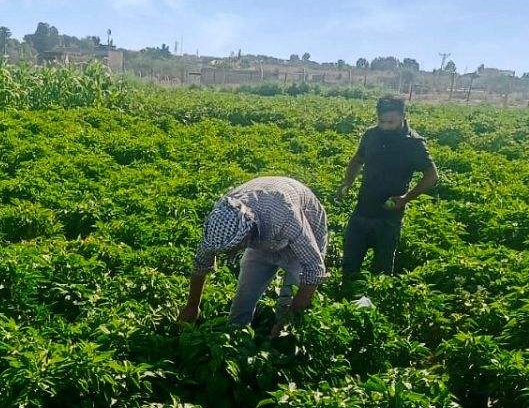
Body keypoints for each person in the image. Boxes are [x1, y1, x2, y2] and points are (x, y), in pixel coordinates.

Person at [177, 176, 328, 335]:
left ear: (246, 236)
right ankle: (237, 333)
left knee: (289, 299)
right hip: (265, 233)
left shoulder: (284, 214)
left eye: (233, 249)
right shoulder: (222, 216)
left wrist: (288, 320)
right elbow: (201, 262)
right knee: (245, 294)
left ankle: (281, 338)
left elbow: (314, 269)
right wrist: (192, 305)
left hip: (304, 228)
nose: (230, 254)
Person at [337, 96, 438, 279]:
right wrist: (348, 182)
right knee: (349, 267)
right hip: (362, 211)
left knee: (381, 274)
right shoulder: (371, 135)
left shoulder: (413, 143)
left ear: (402, 116)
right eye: (381, 121)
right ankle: (347, 298)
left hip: (388, 219)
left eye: (390, 122)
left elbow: (432, 176)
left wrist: (405, 198)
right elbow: (358, 160)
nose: (385, 126)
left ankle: (374, 304)